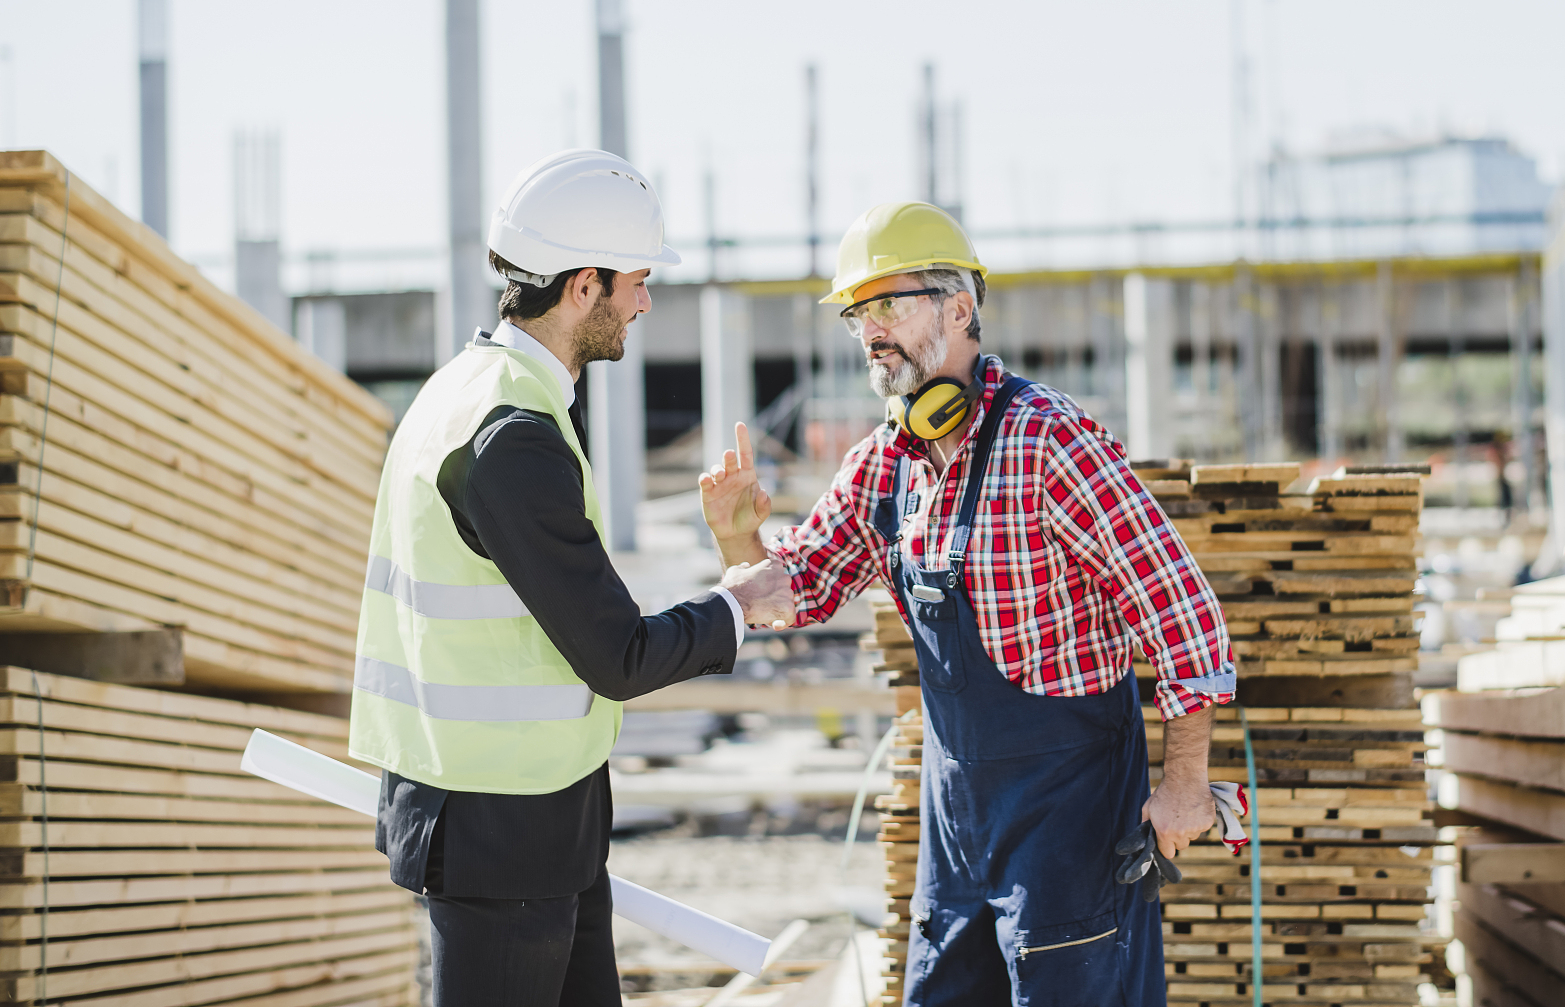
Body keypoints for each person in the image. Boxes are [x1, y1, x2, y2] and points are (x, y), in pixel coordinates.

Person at [699, 201, 1234, 1007]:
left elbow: (1183, 611)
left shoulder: (1050, 440)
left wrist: (1186, 781)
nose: (873, 331)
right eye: (858, 314)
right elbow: (795, 586)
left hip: (1072, 827)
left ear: (959, 308)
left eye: (891, 305)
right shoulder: (885, 465)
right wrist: (741, 545)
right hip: (959, 833)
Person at [349, 149, 795, 1007]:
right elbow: (616, 655)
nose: (645, 300)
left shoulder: (471, 390)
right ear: (582, 285)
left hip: (529, 823)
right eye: (634, 280)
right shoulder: (511, 430)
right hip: (502, 832)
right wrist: (736, 603)